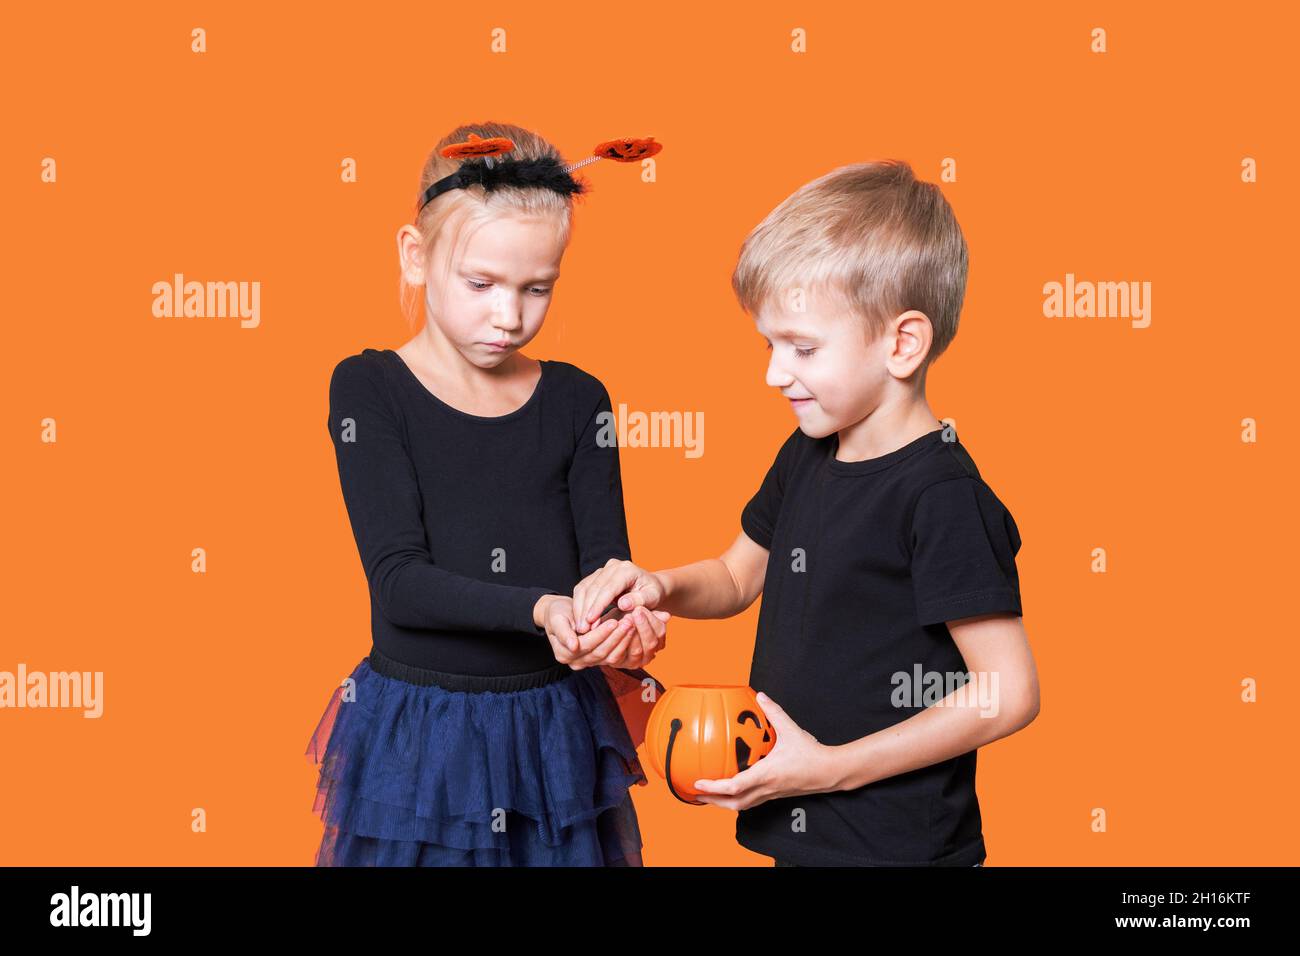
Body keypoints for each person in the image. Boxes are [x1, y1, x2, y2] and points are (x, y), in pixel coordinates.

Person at [570, 160, 1039, 867]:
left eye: (802, 347)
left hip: (898, 852)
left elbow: (1008, 693)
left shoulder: (942, 496)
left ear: (902, 344)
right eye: (769, 344)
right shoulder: (808, 452)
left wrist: (831, 767)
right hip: (804, 835)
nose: (773, 373)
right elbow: (734, 577)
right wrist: (658, 585)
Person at [305, 122, 670, 866]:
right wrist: (541, 609)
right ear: (416, 256)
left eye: (538, 288)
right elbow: (399, 581)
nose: (510, 316)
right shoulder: (369, 389)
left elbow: (604, 565)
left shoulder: (578, 400)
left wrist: (622, 620)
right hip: (424, 735)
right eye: (482, 284)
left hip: (554, 734)